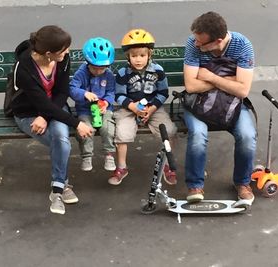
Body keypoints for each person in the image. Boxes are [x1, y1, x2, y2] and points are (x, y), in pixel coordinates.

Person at [11, 25, 93, 215]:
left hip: (52, 108)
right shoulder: (23, 69)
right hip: (28, 113)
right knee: (61, 142)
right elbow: (40, 102)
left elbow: (62, 92)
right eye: (63, 50)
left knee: (60, 140)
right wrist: (77, 123)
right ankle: (61, 186)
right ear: (48, 53)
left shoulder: (62, 60)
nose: (68, 52)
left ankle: (56, 191)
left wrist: (45, 116)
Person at [182, 11, 257, 207]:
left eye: (201, 43)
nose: (196, 45)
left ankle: (242, 183)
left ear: (218, 41)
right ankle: (195, 185)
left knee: (247, 136)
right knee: (198, 135)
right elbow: (191, 86)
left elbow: (242, 90)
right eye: (196, 40)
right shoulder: (193, 42)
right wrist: (229, 80)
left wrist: (210, 76)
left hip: (231, 105)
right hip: (197, 103)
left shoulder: (242, 45)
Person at [109, 28, 178, 186]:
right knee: (121, 132)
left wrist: (152, 108)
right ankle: (121, 167)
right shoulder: (122, 73)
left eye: (142, 55)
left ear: (149, 55)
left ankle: (167, 165)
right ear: (128, 56)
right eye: (134, 56)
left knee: (170, 130)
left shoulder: (158, 71)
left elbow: (163, 92)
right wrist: (133, 107)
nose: (138, 60)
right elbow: (119, 95)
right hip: (129, 108)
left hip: (153, 107)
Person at [69, 37, 116, 172]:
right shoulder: (81, 73)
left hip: (103, 109)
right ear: (88, 62)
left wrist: (106, 102)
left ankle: (109, 154)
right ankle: (87, 156)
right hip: (85, 110)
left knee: (107, 128)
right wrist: (84, 93)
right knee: (86, 129)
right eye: (95, 68)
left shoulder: (109, 75)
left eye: (102, 68)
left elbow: (111, 92)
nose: (99, 72)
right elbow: (72, 89)